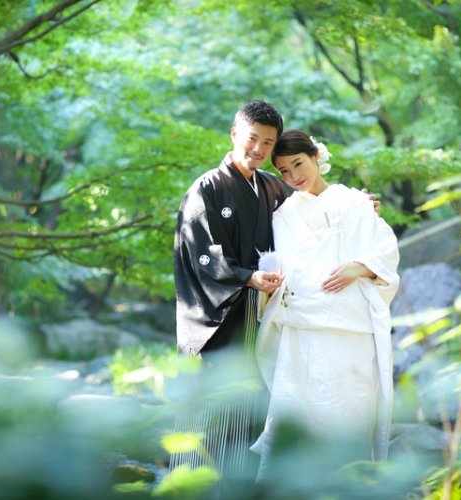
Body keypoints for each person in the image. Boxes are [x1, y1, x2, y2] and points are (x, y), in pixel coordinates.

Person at [249, 130, 400, 481]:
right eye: (284, 171)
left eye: (298, 164)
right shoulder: (282, 214)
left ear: (316, 157)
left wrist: (358, 268)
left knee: (347, 412)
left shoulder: (354, 202)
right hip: (301, 329)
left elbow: (385, 250)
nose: (293, 177)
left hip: (350, 330)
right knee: (295, 413)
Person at [170, 100, 293, 497]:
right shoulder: (206, 188)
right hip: (217, 325)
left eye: (267, 143)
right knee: (211, 416)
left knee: (249, 416)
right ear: (235, 134)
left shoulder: (271, 188)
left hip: (256, 320)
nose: (257, 149)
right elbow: (202, 254)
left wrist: (357, 205)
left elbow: (313, 206)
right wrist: (247, 277)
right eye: (252, 138)